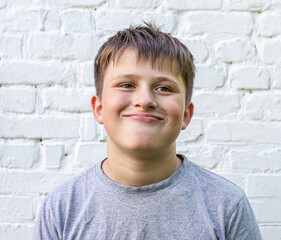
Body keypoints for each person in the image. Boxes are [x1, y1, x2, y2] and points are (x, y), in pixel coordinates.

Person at [33, 23, 262, 240]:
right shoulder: (62, 208)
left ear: (185, 114)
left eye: (164, 88)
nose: (145, 100)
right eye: (127, 85)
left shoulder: (227, 206)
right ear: (99, 108)